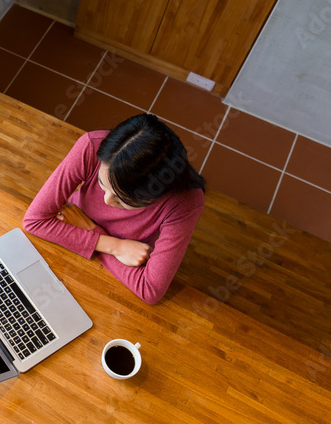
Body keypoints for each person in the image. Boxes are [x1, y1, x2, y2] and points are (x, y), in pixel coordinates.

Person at [22, 113, 205, 305]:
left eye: (123, 200)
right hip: (83, 235)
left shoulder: (186, 202)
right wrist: (115, 247)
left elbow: (150, 289)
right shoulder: (92, 145)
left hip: (93, 241)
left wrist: (90, 229)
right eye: (102, 184)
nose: (107, 201)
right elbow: (34, 221)